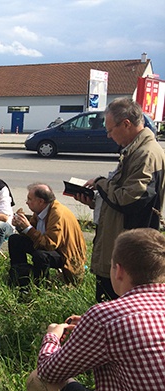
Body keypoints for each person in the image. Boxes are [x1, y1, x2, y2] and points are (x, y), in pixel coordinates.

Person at [26, 228, 165, 391]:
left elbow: (48, 372)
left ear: (118, 271)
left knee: (37, 381)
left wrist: (52, 336)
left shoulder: (106, 317)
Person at [74, 97, 165, 303]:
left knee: (114, 307)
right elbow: (123, 197)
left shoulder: (146, 154)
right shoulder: (135, 150)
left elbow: (129, 200)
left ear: (126, 124)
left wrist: (101, 183)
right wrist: (95, 201)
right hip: (120, 244)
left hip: (129, 252)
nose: (109, 135)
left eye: (110, 130)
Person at [8, 183, 86, 286]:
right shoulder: (40, 210)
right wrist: (20, 226)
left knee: (40, 256)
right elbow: (32, 234)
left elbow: (50, 245)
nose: (27, 202)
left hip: (63, 253)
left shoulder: (57, 214)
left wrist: (28, 228)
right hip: (45, 245)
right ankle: (18, 275)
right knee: (15, 240)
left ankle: (41, 284)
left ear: (41, 201)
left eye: (30, 199)